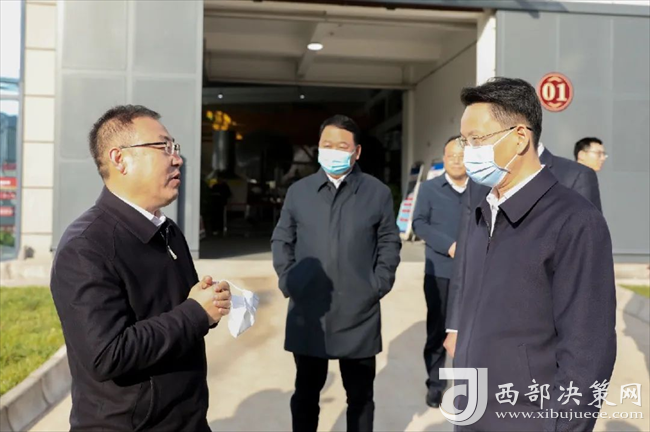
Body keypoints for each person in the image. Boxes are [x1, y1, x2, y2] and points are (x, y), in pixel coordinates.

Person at [448, 78, 616, 430]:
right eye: (465, 141)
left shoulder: (574, 221)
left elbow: (588, 350)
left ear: (520, 137)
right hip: (471, 409)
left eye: (476, 139)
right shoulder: (484, 209)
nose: (467, 153)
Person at [50, 105, 232, 431]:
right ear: (120, 159)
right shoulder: (86, 246)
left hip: (187, 419)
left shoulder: (167, 231)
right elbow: (106, 354)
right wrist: (194, 312)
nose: (177, 159)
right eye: (163, 147)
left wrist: (208, 304)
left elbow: (179, 317)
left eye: (174, 147)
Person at [271, 114, 401, 432]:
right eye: (327, 145)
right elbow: (282, 240)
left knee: (360, 397)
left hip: (359, 312)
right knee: (305, 394)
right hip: (309, 311)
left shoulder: (376, 193)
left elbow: (389, 242)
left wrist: (378, 284)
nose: (333, 151)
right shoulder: (299, 192)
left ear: (357, 152)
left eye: (342, 146)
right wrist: (290, 281)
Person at [446, 137, 602, 345]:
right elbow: (466, 254)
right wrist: (456, 325)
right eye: (466, 140)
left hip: (545, 333)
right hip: (481, 327)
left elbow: (588, 264)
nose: (471, 147)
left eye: (477, 137)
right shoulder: (478, 181)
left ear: (519, 132)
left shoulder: (575, 176)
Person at [411, 136, 467, 408]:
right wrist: (449, 246)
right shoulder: (429, 189)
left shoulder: (482, 189)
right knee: (438, 331)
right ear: (443, 159)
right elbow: (419, 223)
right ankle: (435, 384)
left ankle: (465, 387)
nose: (456, 161)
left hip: (473, 275)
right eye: (450, 156)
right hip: (440, 273)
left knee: (469, 333)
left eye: (461, 156)